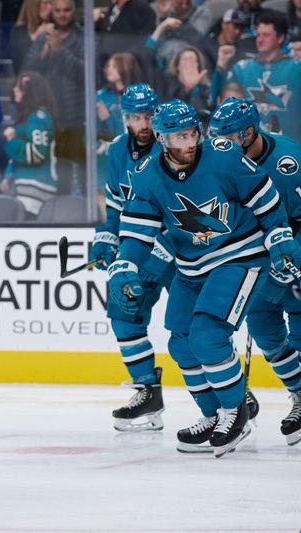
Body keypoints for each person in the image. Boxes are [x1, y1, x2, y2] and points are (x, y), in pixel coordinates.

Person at [109, 99, 301, 457]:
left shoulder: (223, 154)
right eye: (180, 136)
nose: (190, 142)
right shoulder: (148, 175)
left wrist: (278, 236)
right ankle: (213, 414)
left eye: (193, 133)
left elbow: (265, 196)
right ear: (164, 139)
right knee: (181, 341)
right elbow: (137, 233)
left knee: (209, 335)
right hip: (191, 267)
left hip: (240, 256)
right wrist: (125, 267)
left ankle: (236, 412)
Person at [208, 97, 301, 445]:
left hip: (294, 253)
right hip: (258, 261)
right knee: (265, 331)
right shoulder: (220, 162)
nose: (221, 143)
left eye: (229, 136)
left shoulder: (289, 160)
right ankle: (299, 393)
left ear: (249, 132)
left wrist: (290, 259)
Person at [90, 83, 171, 431]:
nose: (143, 123)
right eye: (135, 116)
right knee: (123, 313)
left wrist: (154, 253)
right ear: (124, 118)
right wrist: (106, 239)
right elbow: (116, 205)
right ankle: (147, 391)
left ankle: (229, 398)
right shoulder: (118, 149)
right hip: (138, 250)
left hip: (178, 250)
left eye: (148, 115)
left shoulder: (172, 147)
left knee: (193, 330)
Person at [22, 0, 85, 195]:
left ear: (73, 12)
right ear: (52, 12)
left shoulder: (84, 36)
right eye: (58, 10)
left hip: (75, 115)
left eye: (66, 10)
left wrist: (59, 51)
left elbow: (87, 73)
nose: (62, 14)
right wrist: (43, 51)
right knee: (54, 171)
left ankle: (81, 213)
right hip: (48, 116)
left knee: (79, 171)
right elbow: (27, 72)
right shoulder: (43, 36)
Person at [225, 11, 301, 141]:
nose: (260, 40)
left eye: (266, 35)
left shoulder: (296, 68)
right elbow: (228, 109)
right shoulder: (241, 69)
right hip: (250, 148)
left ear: (280, 38)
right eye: (258, 35)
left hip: (291, 149)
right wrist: (220, 67)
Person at [0, 72, 57, 219]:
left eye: (19, 87)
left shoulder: (38, 118)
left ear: (30, 92)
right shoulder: (27, 118)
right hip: (23, 187)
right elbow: (17, 157)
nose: (14, 90)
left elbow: (37, 154)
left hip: (36, 188)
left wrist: (12, 139)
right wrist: (8, 176)